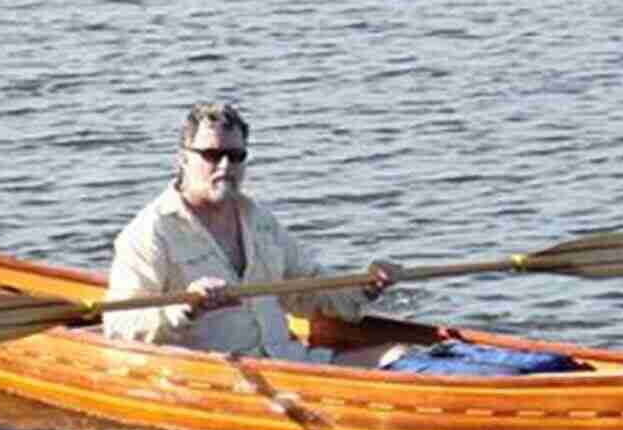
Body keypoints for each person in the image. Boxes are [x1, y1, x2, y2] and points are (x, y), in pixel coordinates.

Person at [103, 103, 402, 367]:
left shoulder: (258, 220)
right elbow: (120, 326)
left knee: (400, 354)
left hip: (291, 365)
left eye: (235, 156)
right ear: (182, 159)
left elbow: (309, 290)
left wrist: (367, 285)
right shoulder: (149, 232)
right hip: (218, 378)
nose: (224, 166)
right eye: (212, 154)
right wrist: (185, 308)